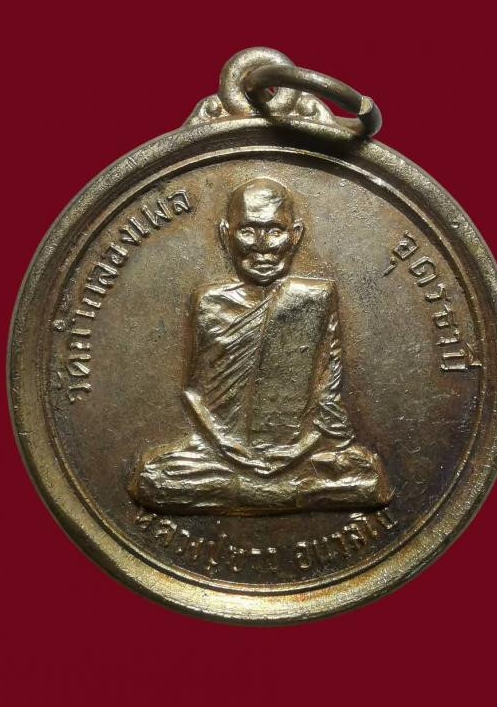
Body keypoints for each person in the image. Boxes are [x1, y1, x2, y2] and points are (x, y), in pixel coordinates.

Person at [130, 178, 392, 514]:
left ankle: (259, 491)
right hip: (220, 452)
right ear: (225, 234)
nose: (262, 246)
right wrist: (231, 449)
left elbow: (327, 391)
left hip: (301, 451)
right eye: (248, 231)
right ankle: (291, 493)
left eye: (275, 230)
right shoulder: (209, 302)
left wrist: (302, 448)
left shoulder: (315, 298)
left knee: (365, 476)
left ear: (295, 235)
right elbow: (195, 393)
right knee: (154, 478)